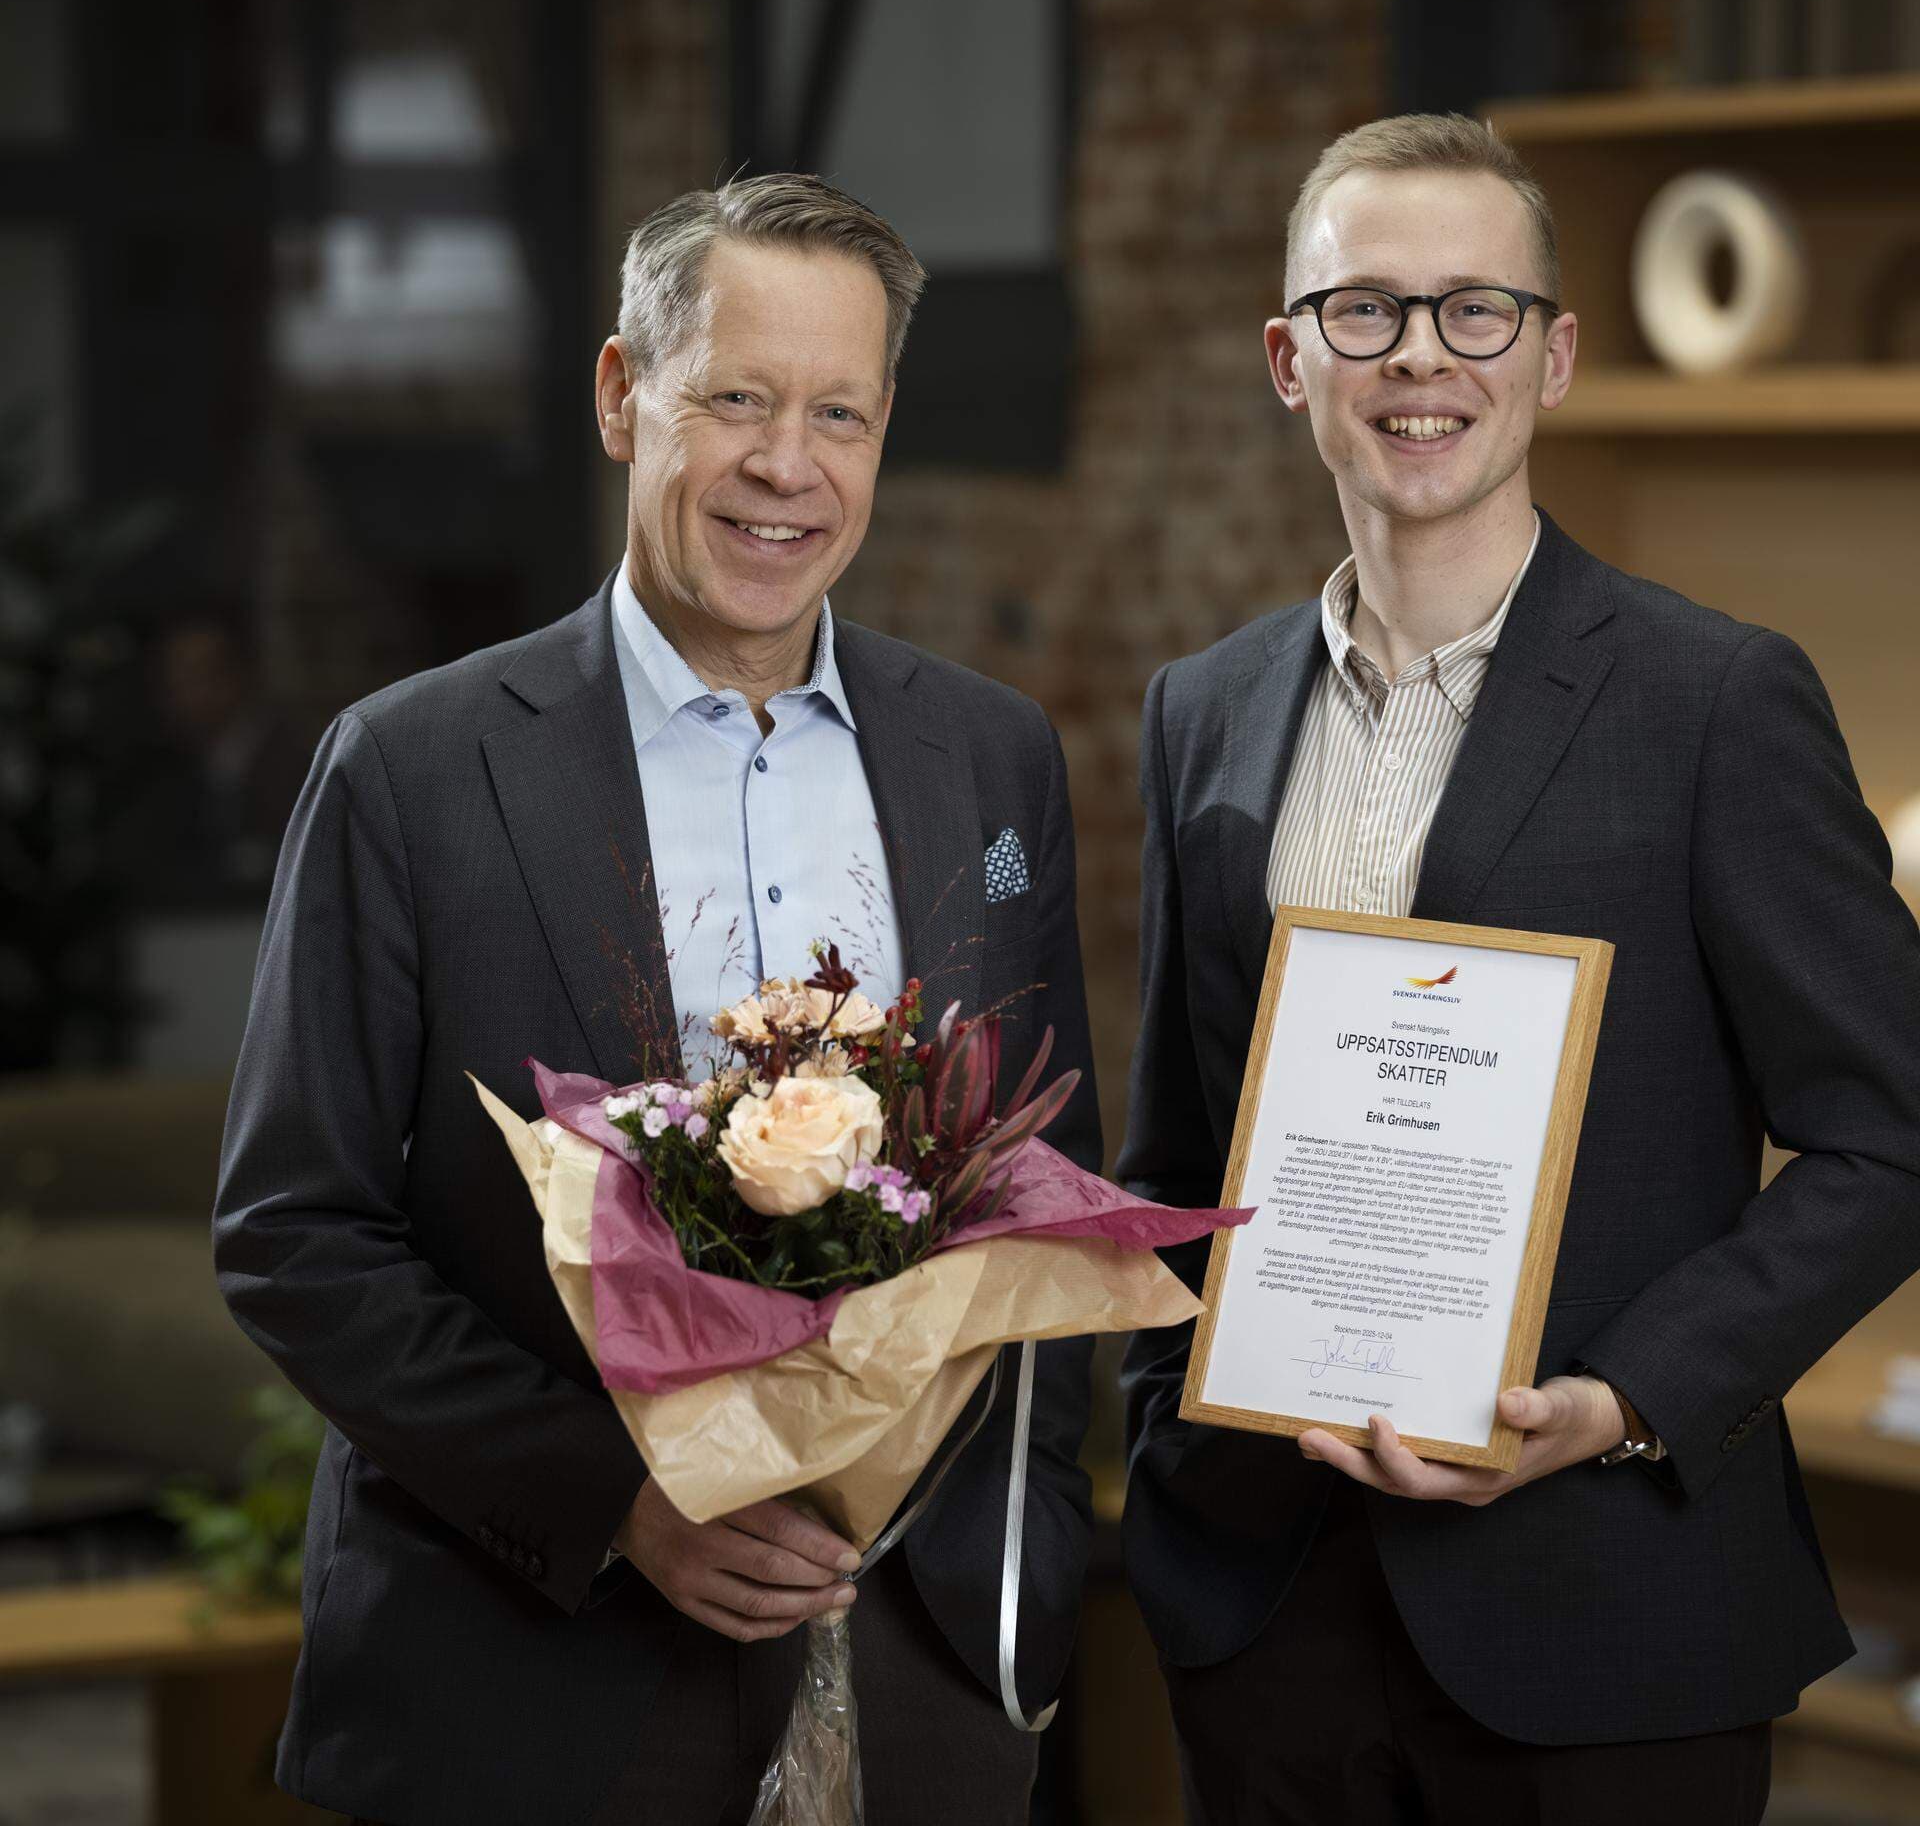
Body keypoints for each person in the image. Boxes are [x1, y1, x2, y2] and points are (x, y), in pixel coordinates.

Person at [213, 173, 1100, 1826]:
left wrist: (1021, 1592)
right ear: (625, 398)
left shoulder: (992, 756)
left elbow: (1054, 1217)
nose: (789, 466)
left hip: (926, 1700)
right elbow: (293, 1232)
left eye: (838, 410)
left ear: (886, 428)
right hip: (530, 1693)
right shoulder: (410, 771)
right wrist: (619, 1501)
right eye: (738, 400)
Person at [1118, 113, 1920, 1825]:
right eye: (1365, 310)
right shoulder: (1204, 710)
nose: (1421, 355)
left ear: (1554, 357)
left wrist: (1626, 1399)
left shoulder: (1716, 703)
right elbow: (1174, 1157)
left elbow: (1893, 1134)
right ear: (1288, 359)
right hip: (1264, 1608)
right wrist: (1160, 1441)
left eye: (1476, 309)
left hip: (1606, 1611)